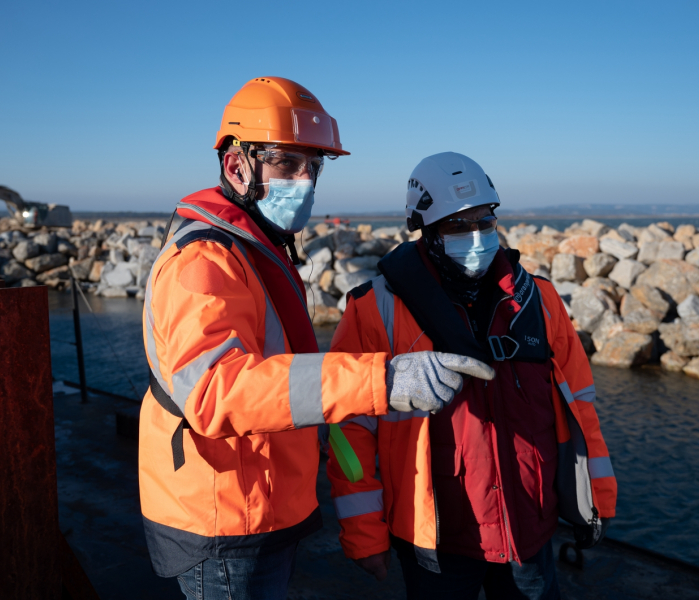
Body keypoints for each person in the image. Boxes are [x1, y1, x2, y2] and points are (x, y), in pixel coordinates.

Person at [139, 80, 494, 599]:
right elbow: (216, 392)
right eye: (287, 163)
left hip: (259, 501)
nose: (304, 180)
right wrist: (384, 377)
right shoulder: (204, 261)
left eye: (314, 166)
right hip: (224, 520)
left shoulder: (258, 250)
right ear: (238, 166)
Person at [326, 152, 617, 599]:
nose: (477, 236)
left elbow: (580, 405)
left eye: (484, 220)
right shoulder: (374, 308)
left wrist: (595, 498)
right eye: (458, 225)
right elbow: (348, 432)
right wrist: (364, 531)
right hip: (436, 542)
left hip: (528, 531)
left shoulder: (538, 300)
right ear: (427, 230)